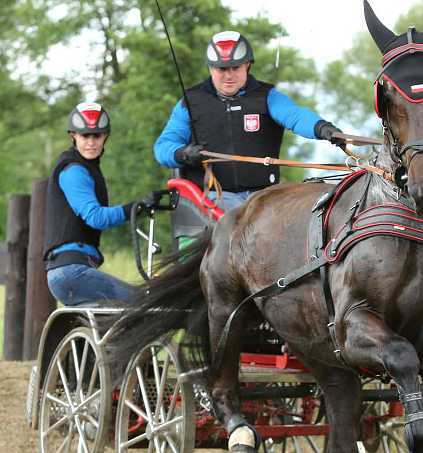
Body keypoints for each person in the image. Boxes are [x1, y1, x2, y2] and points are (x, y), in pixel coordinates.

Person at [153, 30, 346, 210]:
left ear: (247, 65)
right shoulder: (190, 102)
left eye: (235, 68)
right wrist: (183, 154)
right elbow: (163, 147)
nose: (229, 75)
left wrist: (323, 128)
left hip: (265, 196)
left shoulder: (267, 96)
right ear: (211, 68)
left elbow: (295, 116)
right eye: (221, 69)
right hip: (213, 200)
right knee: (238, 218)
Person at [44, 102, 150, 305]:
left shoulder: (85, 167)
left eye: (97, 136)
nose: (91, 142)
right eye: (85, 136)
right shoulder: (73, 170)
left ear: (105, 137)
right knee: (142, 302)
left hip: (71, 271)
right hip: (71, 271)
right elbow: (95, 218)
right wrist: (135, 208)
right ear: (73, 136)